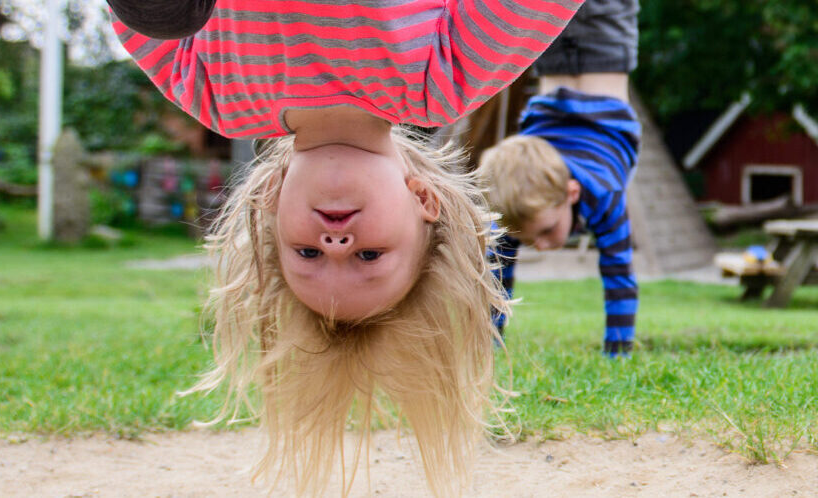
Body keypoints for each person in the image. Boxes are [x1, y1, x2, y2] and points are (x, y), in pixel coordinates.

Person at [106, 0, 577, 495]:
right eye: (367, 257)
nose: (336, 242)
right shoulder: (444, 80)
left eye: (308, 255)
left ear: (271, 203)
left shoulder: (216, 97)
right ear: (424, 200)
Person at [478, 0, 644, 357]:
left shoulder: (603, 194)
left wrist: (618, 353)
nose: (542, 245)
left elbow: (620, 278)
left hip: (566, 57)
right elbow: (496, 279)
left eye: (545, 231)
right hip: (603, 50)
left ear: (572, 192)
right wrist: (491, 343)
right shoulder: (516, 212)